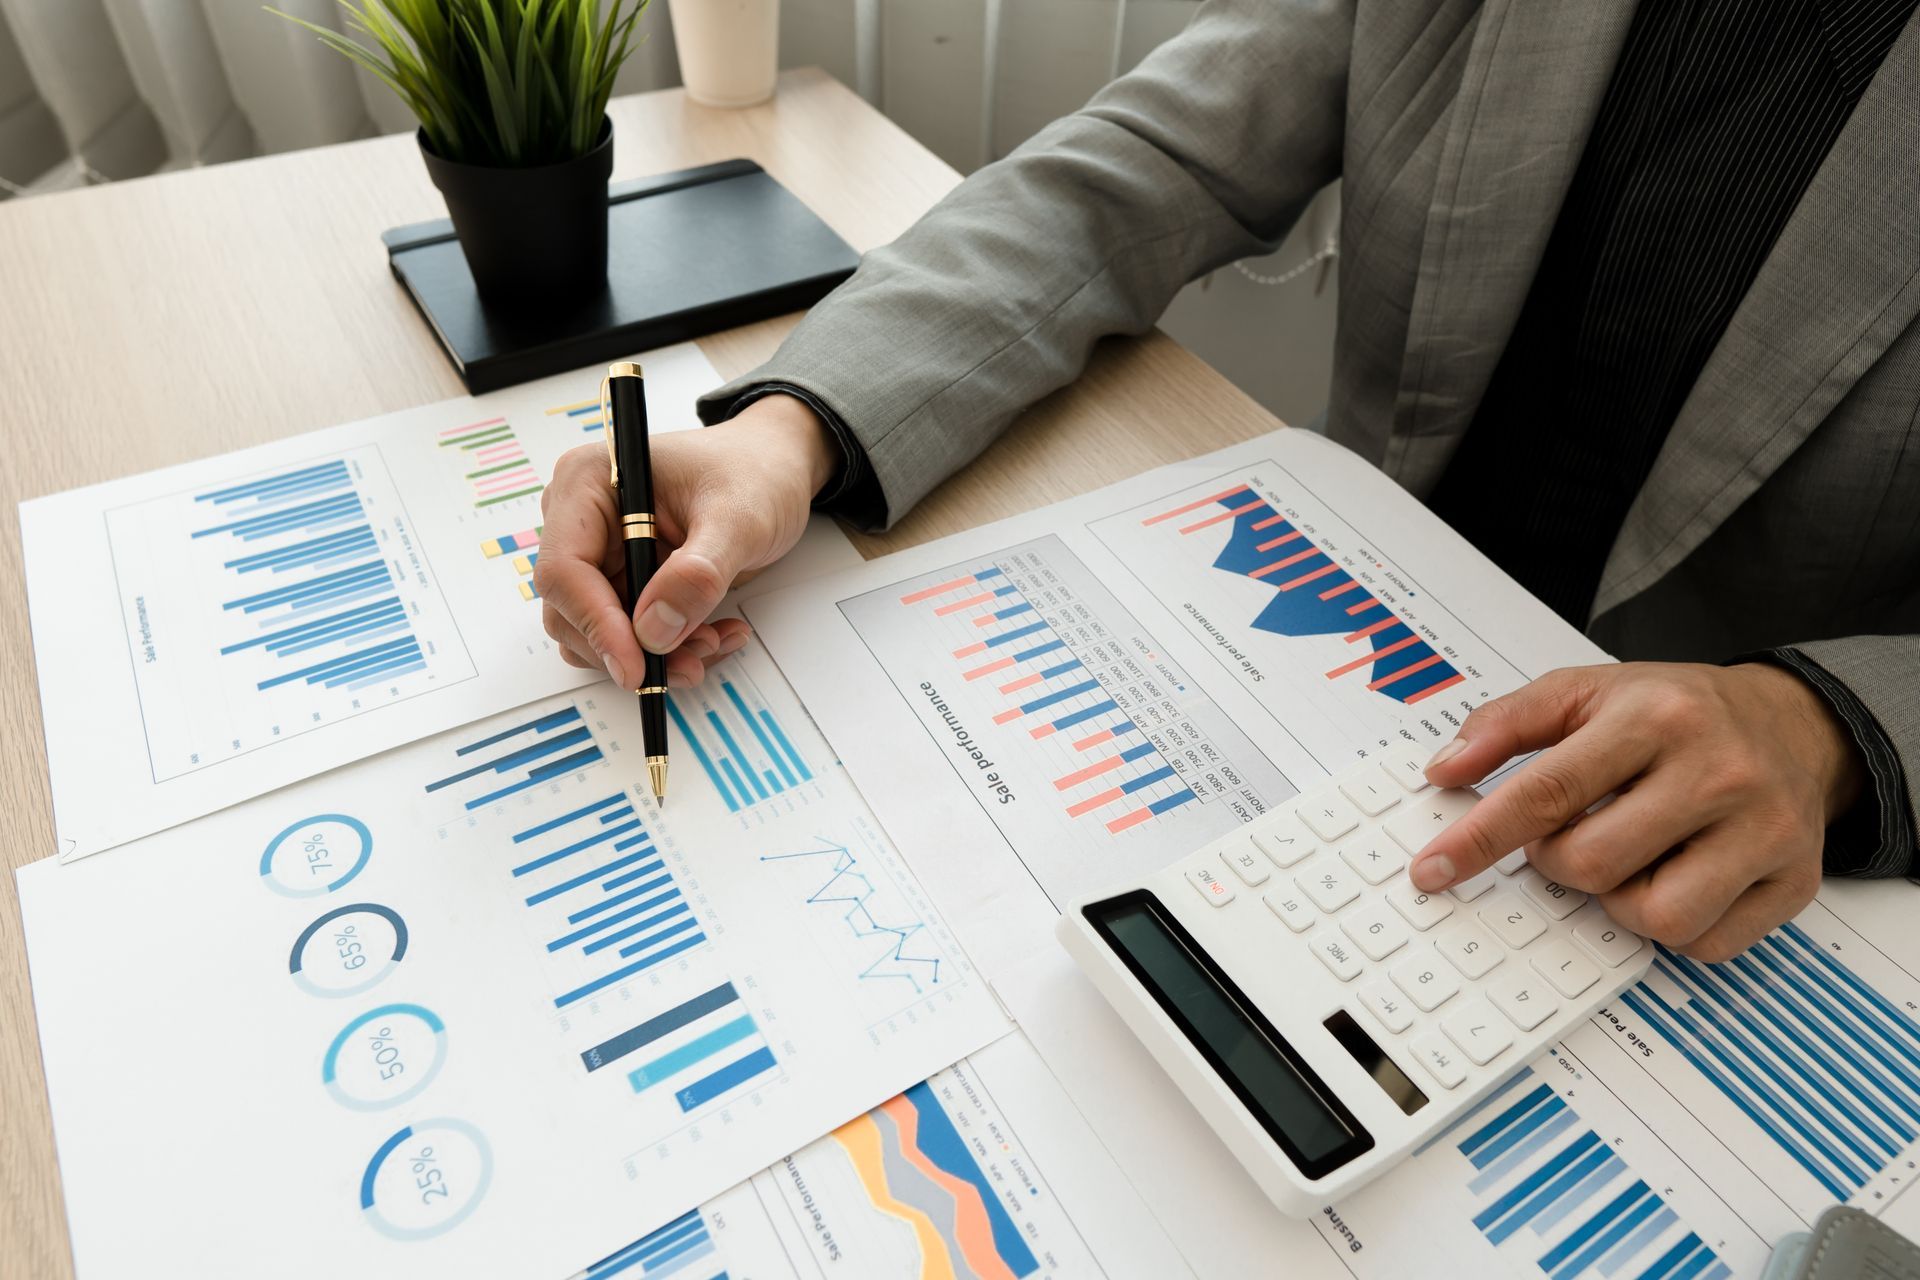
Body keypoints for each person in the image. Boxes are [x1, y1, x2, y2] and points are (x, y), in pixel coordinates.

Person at [535, 0, 1920, 962]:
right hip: (1335, 666)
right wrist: (795, 428)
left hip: (1739, 868)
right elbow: (1147, 164)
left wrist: (1822, 728)